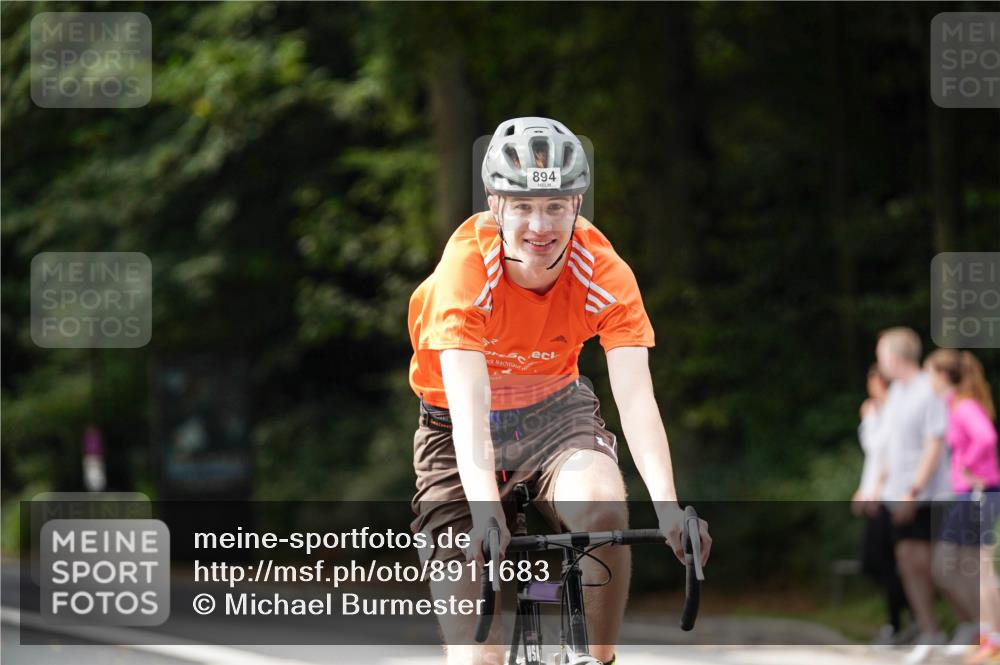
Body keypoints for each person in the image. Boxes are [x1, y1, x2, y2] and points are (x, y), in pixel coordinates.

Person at [406, 117, 712, 665]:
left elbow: (636, 399)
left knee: (600, 505)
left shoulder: (602, 268)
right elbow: (471, 411)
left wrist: (667, 507)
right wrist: (484, 512)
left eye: (555, 205)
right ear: (495, 204)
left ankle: (599, 657)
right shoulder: (465, 272)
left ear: (577, 204)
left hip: (553, 413)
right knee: (479, 655)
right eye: (522, 206)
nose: (539, 225)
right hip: (456, 430)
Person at [871, 327, 951, 664]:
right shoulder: (897, 395)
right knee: (906, 562)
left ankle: (975, 628)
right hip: (896, 494)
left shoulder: (926, 391)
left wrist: (913, 490)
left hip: (926, 495)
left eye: (880, 354)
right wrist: (877, 486)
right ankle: (929, 631)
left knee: (937, 566)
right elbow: (889, 448)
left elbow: (934, 443)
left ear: (893, 356)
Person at [925, 349, 1000, 665]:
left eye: (929, 373)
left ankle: (993, 639)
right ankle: (987, 634)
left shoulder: (964, 406)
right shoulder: (955, 405)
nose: (927, 380)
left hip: (979, 491)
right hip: (967, 493)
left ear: (942, 376)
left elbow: (986, 437)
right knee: (959, 565)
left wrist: (968, 467)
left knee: (980, 569)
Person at [852, 364, 913, 644]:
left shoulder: (894, 413)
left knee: (885, 562)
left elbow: (889, 457)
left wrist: (873, 491)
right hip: (878, 492)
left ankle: (903, 621)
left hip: (890, 495)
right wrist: (864, 489)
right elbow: (873, 458)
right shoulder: (876, 410)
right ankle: (905, 617)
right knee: (876, 562)